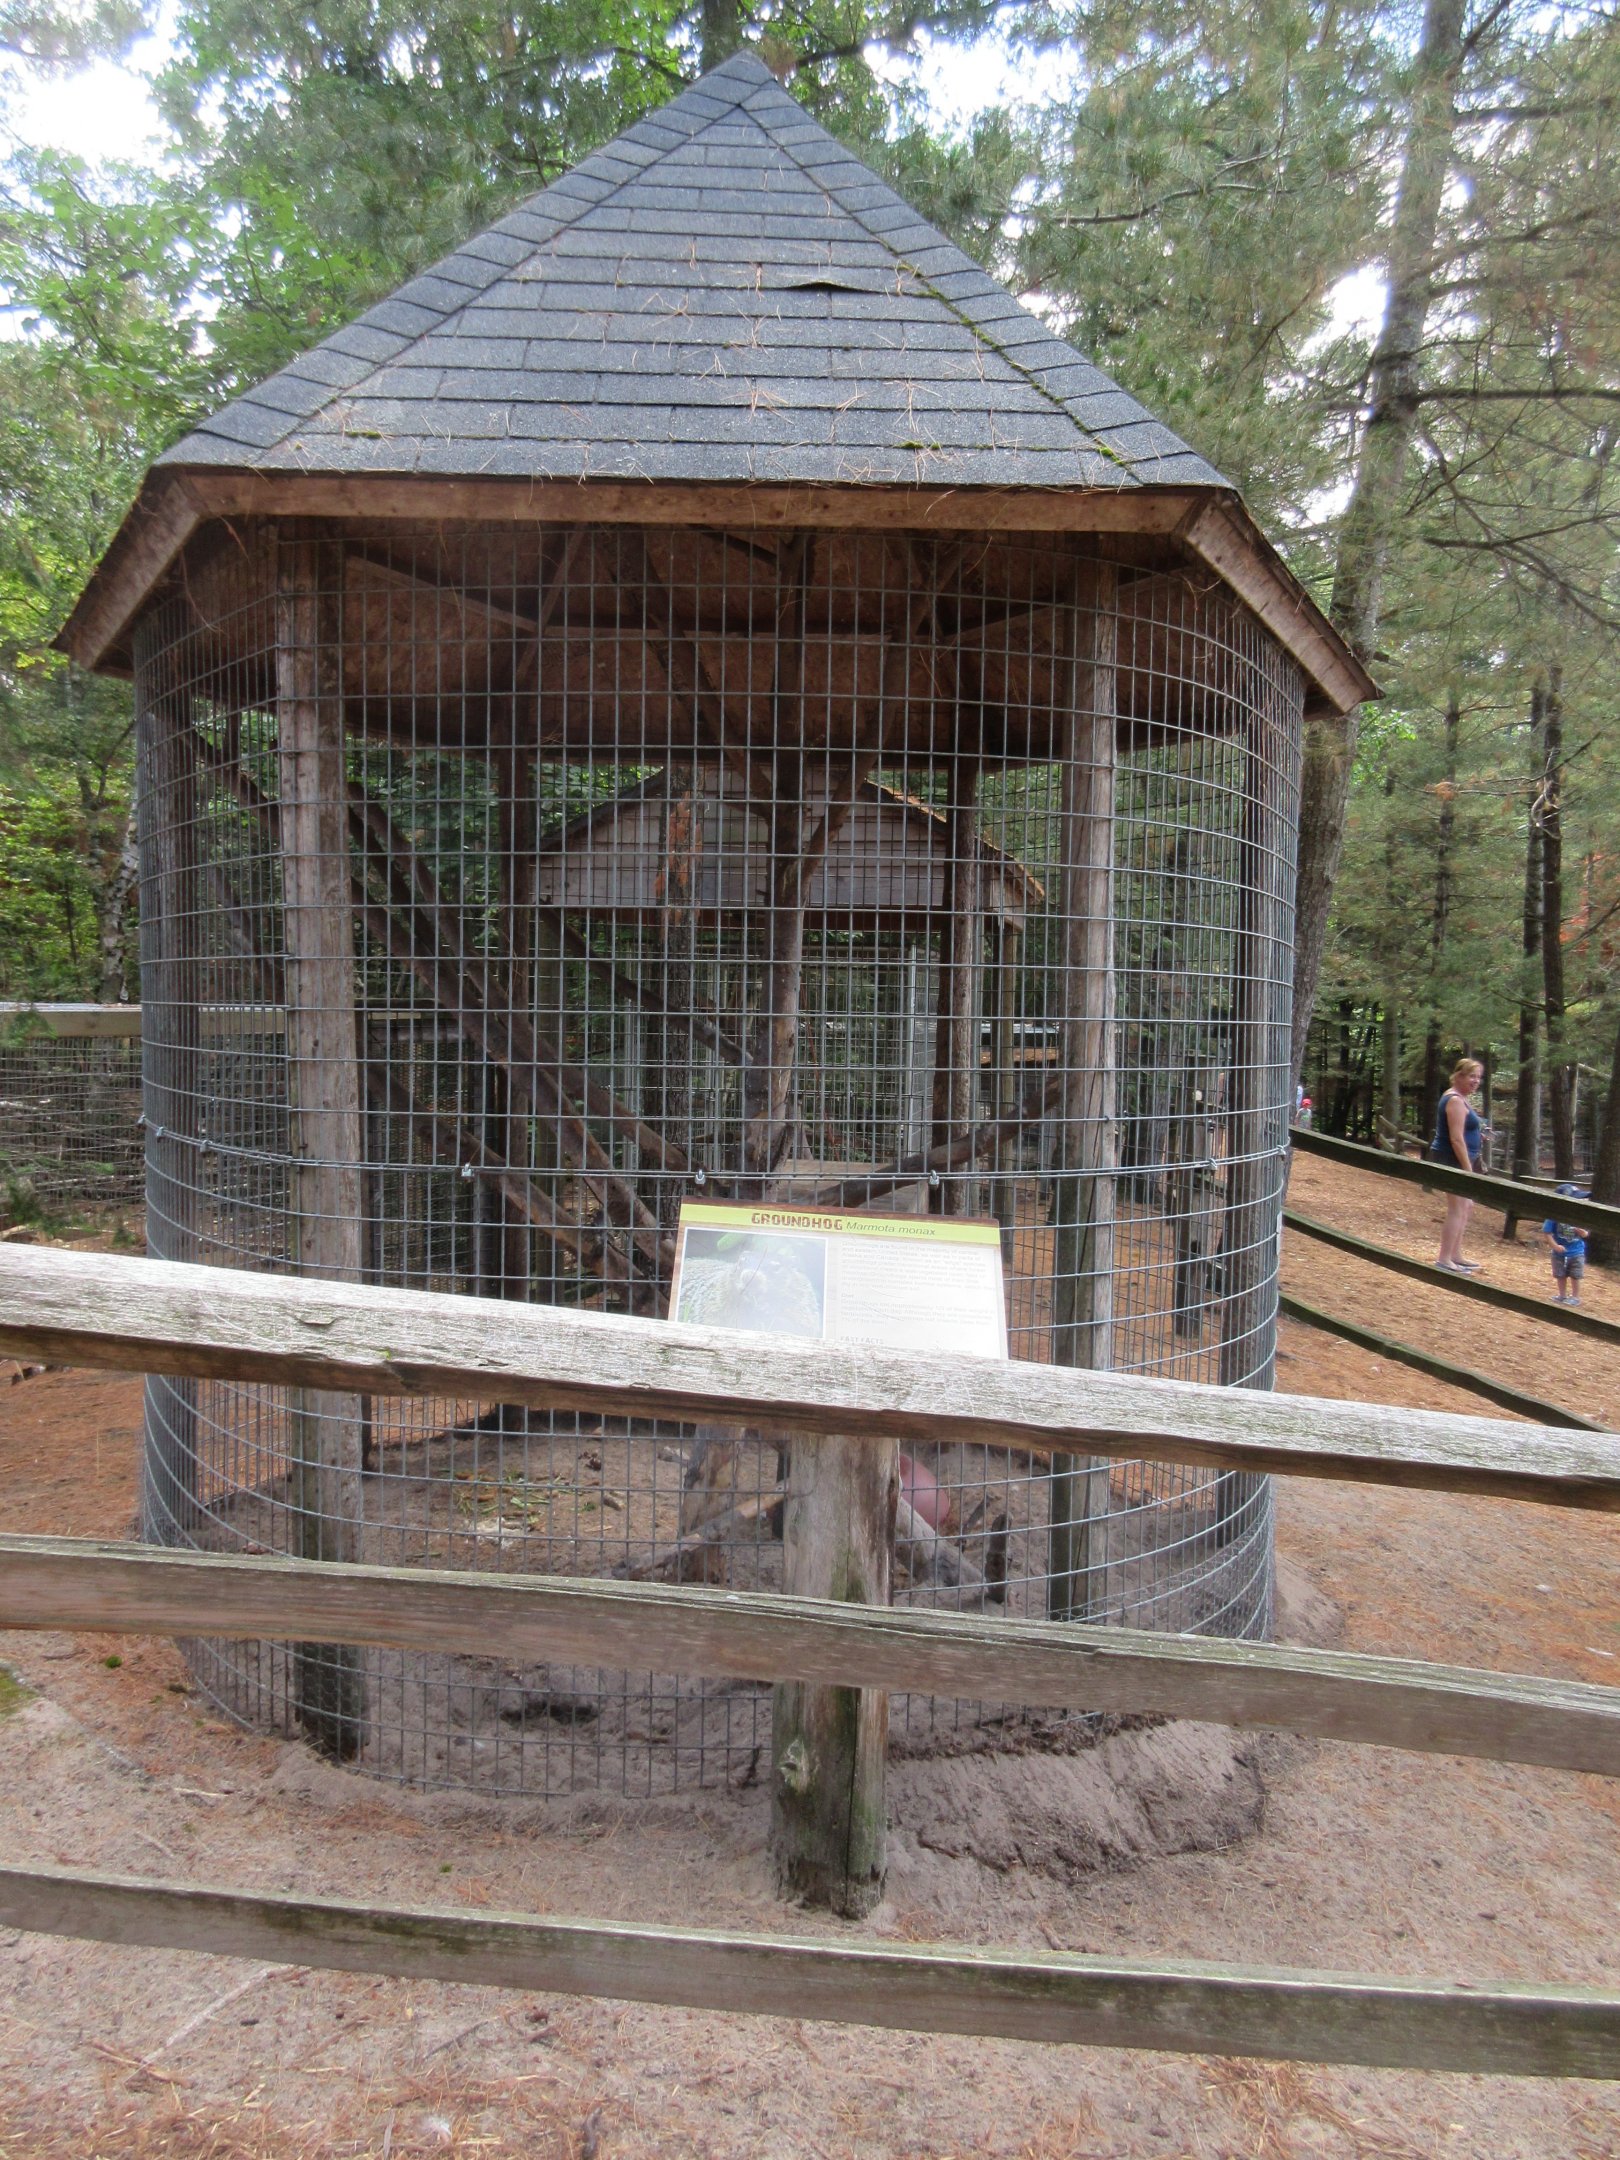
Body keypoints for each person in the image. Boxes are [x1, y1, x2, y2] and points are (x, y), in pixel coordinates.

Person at [1430, 1058, 1485, 1274]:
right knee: (1457, 1208)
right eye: (1472, 1076)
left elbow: (1465, 1130)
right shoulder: (1453, 1099)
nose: (1475, 1081)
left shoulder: (1461, 1098)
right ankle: (1444, 1259)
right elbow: (1456, 1139)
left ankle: (1456, 1254)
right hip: (1452, 1160)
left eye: (1479, 1077)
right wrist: (1468, 1170)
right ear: (1459, 1075)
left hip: (1460, 1159)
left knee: (1466, 1206)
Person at [1544, 1186, 1590, 1306]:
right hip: (1559, 1253)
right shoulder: (1553, 1216)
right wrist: (1555, 1246)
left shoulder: (1580, 1216)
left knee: (1575, 1275)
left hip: (1577, 1252)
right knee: (1560, 1274)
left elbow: (1585, 1234)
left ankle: (1575, 1297)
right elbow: (1547, 1232)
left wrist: (1581, 1231)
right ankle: (1562, 1295)